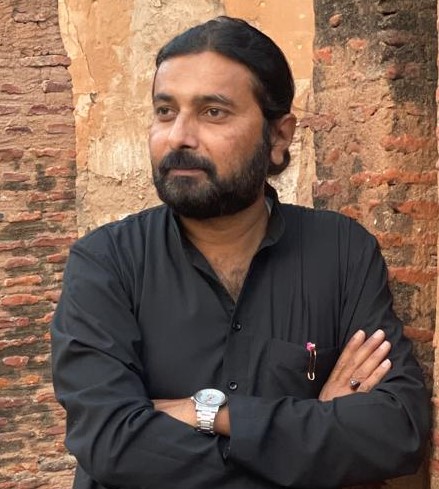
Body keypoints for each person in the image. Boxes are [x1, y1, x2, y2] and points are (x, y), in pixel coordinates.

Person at [51, 16, 430, 489]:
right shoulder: (106, 262)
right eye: (165, 111)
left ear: (279, 137)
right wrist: (311, 435)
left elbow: (396, 430)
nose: (179, 136)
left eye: (213, 112)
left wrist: (209, 413)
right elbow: (113, 445)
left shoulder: (341, 251)